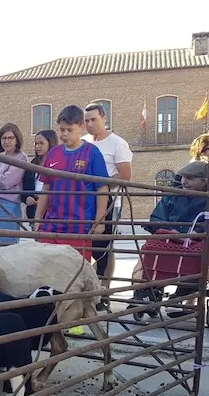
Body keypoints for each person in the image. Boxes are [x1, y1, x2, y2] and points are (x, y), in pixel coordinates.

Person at [140, 161, 209, 319]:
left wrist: (199, 231)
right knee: (151, 247)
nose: (184, 182)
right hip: (170, 237)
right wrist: (168, 229)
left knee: (198, 253)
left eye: (190, 178)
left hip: (200, 238)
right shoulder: (174, 194)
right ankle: (148, 292)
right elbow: (157, 217)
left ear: (204, 180)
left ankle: (179, 296)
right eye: (182, 178)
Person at [33, 106, 110, 262]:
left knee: (75, 272)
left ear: (81, 127)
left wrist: (99, 222)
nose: (64, 134)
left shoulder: (92, 153)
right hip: (52, 224)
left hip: (79, 225)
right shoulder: (53, 153)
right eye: (61, 130)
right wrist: (37, 219)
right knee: (46, 267)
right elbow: (46, 188)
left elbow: (102, 188)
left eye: (69, 129)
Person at [83, 103, 133, 306]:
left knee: (104, 247)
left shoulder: (117, 143)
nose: (89, 124)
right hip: (84, 200)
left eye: (93, 119)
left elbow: (125, 175)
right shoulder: (84, 142)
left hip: (109, 200)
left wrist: (100, 182)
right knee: (85, 244)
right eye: (86, 120)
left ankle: (104, 292)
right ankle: (88, 289)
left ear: (104, 117)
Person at [22, 129, 58, 223]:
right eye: (36, 143)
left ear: (50, 143)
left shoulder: (58, 163)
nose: (38, 146)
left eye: (41, 143)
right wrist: (27, 198)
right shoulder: (33, 164)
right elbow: (25, 188)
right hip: (33, 209)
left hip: (52, 210)